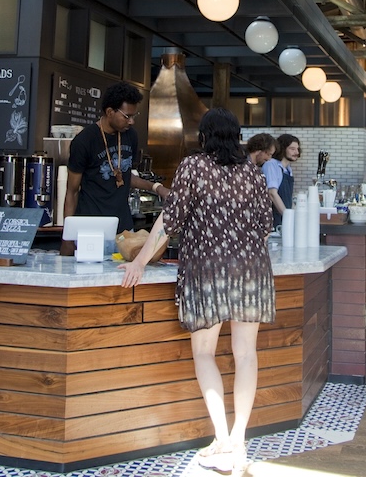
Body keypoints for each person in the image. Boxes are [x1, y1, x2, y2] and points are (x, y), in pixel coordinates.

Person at [119, 108, 273, 474]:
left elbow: (168, 220)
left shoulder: (193, 166)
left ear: (203, 138)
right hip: (252, 271)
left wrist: (140, 262)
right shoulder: (252, 172)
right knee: (246, 355)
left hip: (206, 271)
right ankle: (238, 442)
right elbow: (266, 226)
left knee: (204, 353)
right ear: (237, 137)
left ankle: (222, 439)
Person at [64, 82, 169, 233]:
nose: (131, 121)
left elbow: (125, 175)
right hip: (91, 227)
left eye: (134, 116)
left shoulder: (130, 135)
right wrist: (67, 234)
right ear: (110, 112)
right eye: (127, 116)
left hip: (124, 227)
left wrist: (157, 187)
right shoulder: (85, 141)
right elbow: (71, 192)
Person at [262, 133, 300, 229]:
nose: (296, 152)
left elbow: (288, 197)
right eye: (292, 149)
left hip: (284, 219)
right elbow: (272, 194)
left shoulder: (288, 169)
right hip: (274, 220)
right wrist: (288, 217)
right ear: (283, 149)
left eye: (297, 149)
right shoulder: (271, 165)